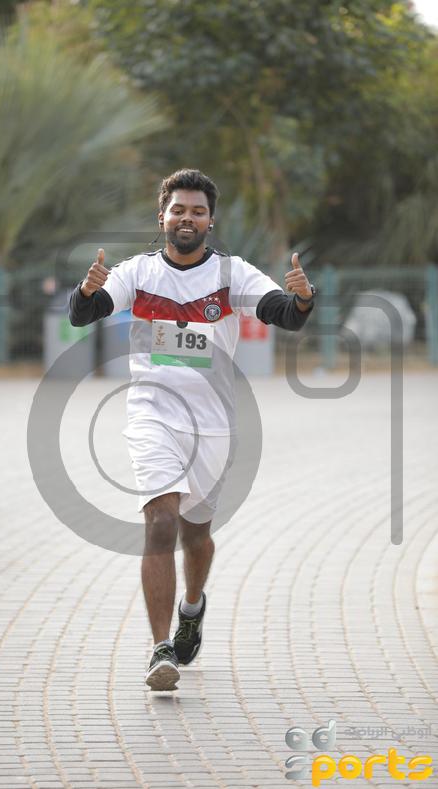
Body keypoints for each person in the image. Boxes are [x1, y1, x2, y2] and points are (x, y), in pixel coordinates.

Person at [69, 169, 315, 691]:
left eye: (197, 211)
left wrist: (301, 299)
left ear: (210, 221)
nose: (187, 218)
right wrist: (85, 291)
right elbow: (85, 312)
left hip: (213, 425)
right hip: (152, 414)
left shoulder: (231, 273)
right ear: (162, 217)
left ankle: (192, 607)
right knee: (161, 521)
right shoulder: (137, 272)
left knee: (196, 533)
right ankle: (160, 648)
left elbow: (285, 315)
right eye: (178, 210)